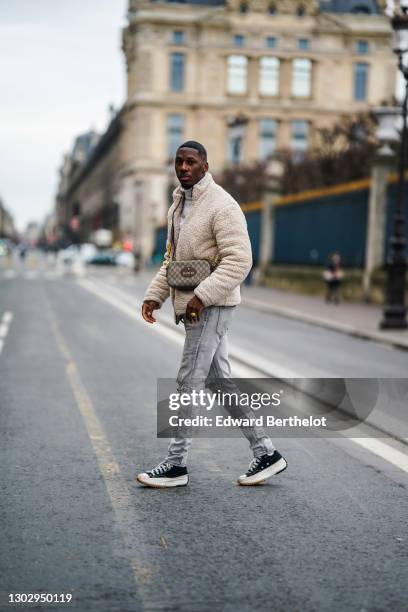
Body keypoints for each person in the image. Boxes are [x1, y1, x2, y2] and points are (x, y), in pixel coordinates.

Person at [137, 140, 287, 488]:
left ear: (205, 166)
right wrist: (154, 296)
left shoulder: (222, 205)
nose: (184, 167)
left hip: (212, 306)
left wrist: (202, 296)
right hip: (195, 306)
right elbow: (172, 262)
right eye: (179, 161)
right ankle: (266, 453)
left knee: (188, 380)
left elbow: (240, 260)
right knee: (220, 382)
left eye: (191, 162)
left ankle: (176, 465)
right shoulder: (179, 206)